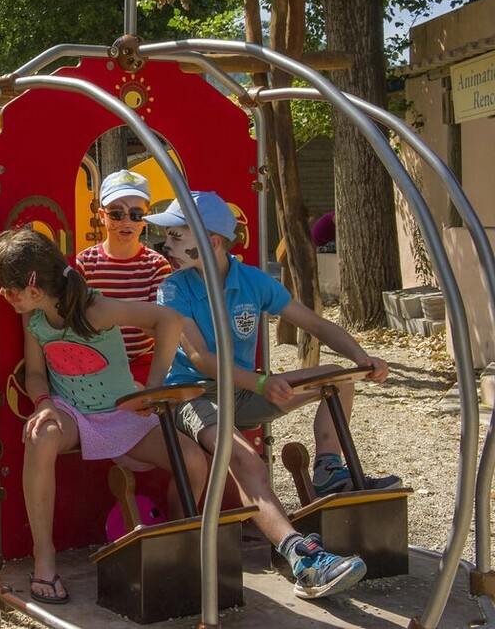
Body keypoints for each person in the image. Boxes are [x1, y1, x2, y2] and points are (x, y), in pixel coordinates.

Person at [145, 190, 400, 599]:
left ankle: (329, 470)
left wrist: (361, 357)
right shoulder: (174, 289)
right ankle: (302, 557)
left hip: (243, 390)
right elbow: (201, 358)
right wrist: (261, 383)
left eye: (176, 237)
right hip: (192, 396)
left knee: (338, 378)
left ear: (212, 242)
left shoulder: (253, 282)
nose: (167, 246)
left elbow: (316, 324)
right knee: (244, 457)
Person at [0, 228, 207, 606]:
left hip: (122, 412)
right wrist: (44, 403)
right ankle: (44, 557)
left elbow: (169, 320)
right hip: (73, 413)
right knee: (40, 436)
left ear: (34, 291)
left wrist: (153, 388)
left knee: (194, 462)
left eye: (9, 290)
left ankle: (173, 538)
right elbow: (35, 372)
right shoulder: (34, 319)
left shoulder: (96, 309)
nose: (5, 297)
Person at [77, 170, 172, 385]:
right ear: (101, 215)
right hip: (94, 362)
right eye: (117, 214)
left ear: (146, 218)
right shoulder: (84, 264)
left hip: (141, 362)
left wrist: (113, 314)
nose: (127, 221)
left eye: (136, 214)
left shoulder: (157, 266)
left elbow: (161, 328)